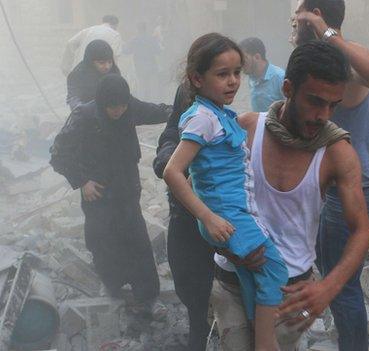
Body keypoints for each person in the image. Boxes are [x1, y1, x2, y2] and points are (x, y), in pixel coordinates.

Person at [211, 40, 369, 351]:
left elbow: (361, 229)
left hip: (290, 293)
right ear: (288, 88)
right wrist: (226, 244)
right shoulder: (246, 129)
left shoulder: (337, 154)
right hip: (232, 279)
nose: (323, 115)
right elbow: (205, 192)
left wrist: (328, 287)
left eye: (332, 105)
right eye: (314, 101)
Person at [162, 33, 288, 351]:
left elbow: (206, 167)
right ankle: (265, 344)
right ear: (197, 78)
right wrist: (208, 216)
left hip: (231, 212)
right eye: (222, 74)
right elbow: (172, 171)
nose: (232, 81)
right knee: (275, 269)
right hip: (226, 217)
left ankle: (252, 327)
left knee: (249, 275)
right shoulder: (202, 118)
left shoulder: (218, 113)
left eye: (236, 73)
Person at [291, 1, 369, 349]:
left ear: (314, 19)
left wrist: (326, 33)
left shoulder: (347, 65)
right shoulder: (333, 63)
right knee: (340, 280)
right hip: (356, 186)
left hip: (355, 191)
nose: (291, 27)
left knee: (341, 288)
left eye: (297, 19)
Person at [50, 74, 170, 317]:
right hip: (98, 194)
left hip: (127, 189)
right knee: (102, 241)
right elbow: (58, 154)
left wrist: (184, 106)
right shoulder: (83, 116)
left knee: (137, 241)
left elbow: (156, 112)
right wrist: (81, 182)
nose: (119, 111)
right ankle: (114, 288)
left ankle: (147, 295)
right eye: (113, 107)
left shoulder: (129, 108)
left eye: (123, 106)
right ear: (102, 102)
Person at [153, 83, 215, 351]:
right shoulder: (179, 120)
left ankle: (205, 327)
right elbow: (166, 147)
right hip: (183, 214)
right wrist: (173, 163)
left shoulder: (221, 124)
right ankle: (200, 320)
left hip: (215, 218)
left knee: (213, 278)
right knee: (184, 278)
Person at [66, 40, 121, 110]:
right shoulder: (77, 75)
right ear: (91, 62)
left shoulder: (114, 71)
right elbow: (73, 98)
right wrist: (85, 110)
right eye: (101, 63)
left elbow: (122, 93)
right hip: (85, 114)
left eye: (110, 62)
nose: (107, 67)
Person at [238, 37, 285, 112]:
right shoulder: (251, 76)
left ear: (257, 57)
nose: (241, 64)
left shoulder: (280, 77)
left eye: (244, 59)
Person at [124, 22, 162, 102]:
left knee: (142, 85)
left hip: (140, 66)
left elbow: (126, 51)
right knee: (153, 86)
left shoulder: (134, 39)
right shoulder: (151, 39)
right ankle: (155, 102)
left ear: (137, 29)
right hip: (152, 66)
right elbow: (158, 51)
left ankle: (143, 102)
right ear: (145, 29)